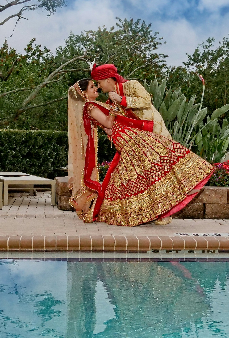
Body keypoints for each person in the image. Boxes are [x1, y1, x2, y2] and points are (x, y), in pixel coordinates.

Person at [68, 79, 214, 227]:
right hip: (126, 137)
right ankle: (174, 193)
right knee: (156, 156)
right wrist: (114, 107)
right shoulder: (90, 107)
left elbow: (108, 126)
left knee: (146, 166)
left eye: (95, 85)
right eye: (92, 87)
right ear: (84, 93)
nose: (96, 88)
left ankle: (172, 194)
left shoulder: (95, 105)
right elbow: (108, 123)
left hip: (128, 134)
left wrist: (115, 110)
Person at [91, 64, 171, 138]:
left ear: (108, 80)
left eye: (99, 82)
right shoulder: (110, 102)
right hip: (137, 139)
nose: (98, 86)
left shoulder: (132, 85)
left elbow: (146, 101)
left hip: (155, 131)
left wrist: (122, 100)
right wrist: (111, 131)